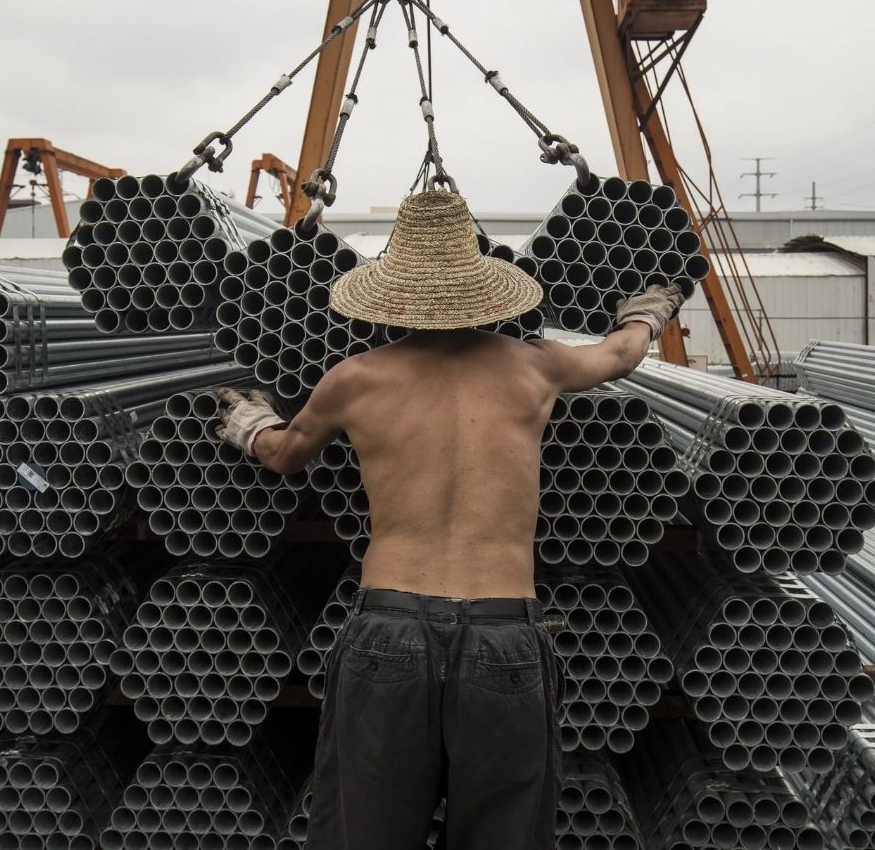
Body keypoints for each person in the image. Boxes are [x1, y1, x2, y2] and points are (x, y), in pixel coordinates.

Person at [216, 189, 686, 850]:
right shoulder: (534, 364)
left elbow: (285, 454)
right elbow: (618, 355)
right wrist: (645, 312)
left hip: (390, 631)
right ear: (481, 288)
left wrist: (251, 423)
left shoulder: (354, 378)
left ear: (393, 295)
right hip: (504, 633)